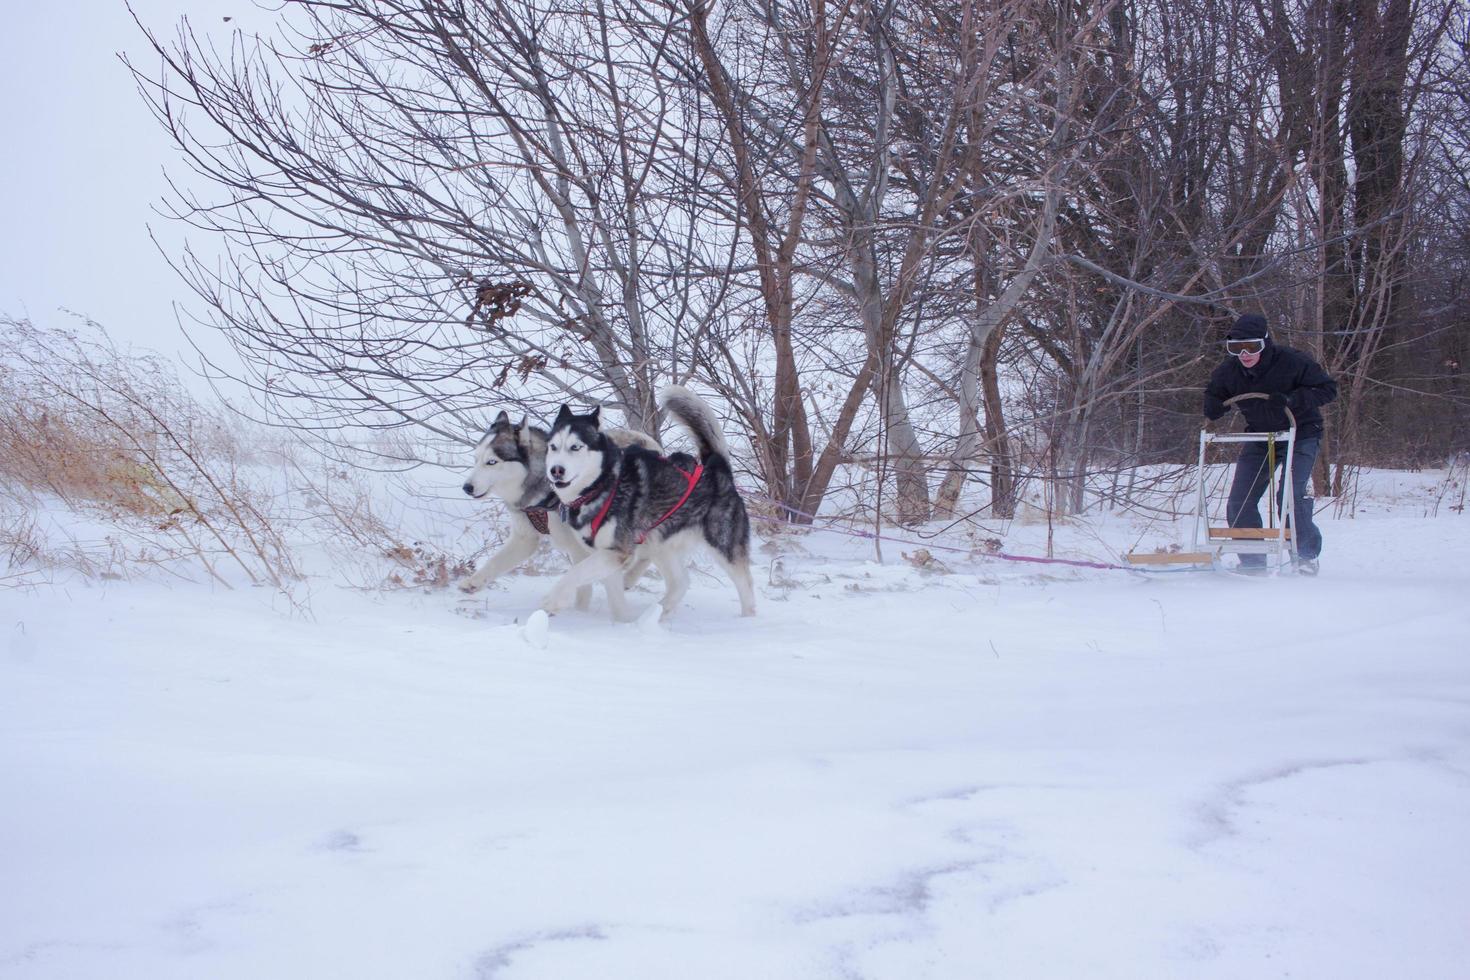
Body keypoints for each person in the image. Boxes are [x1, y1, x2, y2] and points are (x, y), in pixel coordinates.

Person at [1203, 313, 1337, 572]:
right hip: (1261, 437)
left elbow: (1327, 389)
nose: (1244, 354)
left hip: (1301, 433)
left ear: (1266, 343)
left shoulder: (1293, 361)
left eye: (1252, 347)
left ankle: (1306, 556)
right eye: (1236, 348)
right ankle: (1253, 562)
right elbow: (1214, 392)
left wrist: (1291, 399)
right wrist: (1212, 405)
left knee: (1290, 494)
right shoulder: (1229, 371)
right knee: (1239, 500)